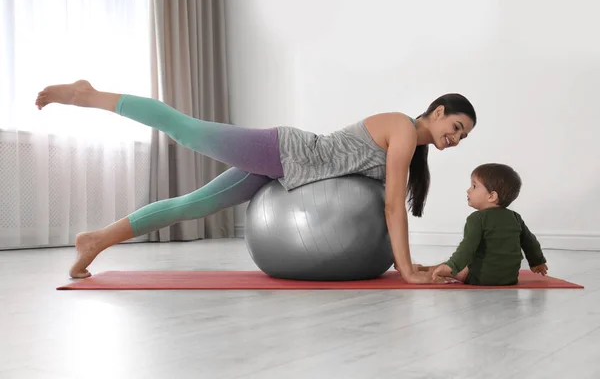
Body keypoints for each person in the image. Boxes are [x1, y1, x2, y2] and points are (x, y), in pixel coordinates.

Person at [35, 80, 476, 283]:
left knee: (193, 206)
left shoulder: (414, 148)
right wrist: (406, 271)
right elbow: (392, 206)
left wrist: (409, 265)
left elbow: (392, 203)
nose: (454, 138)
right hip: (285, 153)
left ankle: (94, 241)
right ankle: (87, 95)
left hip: (291, 173)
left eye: (462, 136)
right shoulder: (402, 129)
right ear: (435, 111)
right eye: (454, 126)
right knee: (184, 127)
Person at [424, 163, 548, 285]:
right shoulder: (515, 217)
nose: (468, 190)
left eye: (474, 186)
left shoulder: (477, 218)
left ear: (491, 196)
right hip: (509, 278)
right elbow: (530, 242)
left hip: (480, 278)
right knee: (457, 265)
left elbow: (467, 248)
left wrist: (451, 266)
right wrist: (537, 262)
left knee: (453, 268)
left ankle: (426, 270)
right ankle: (430, 268)